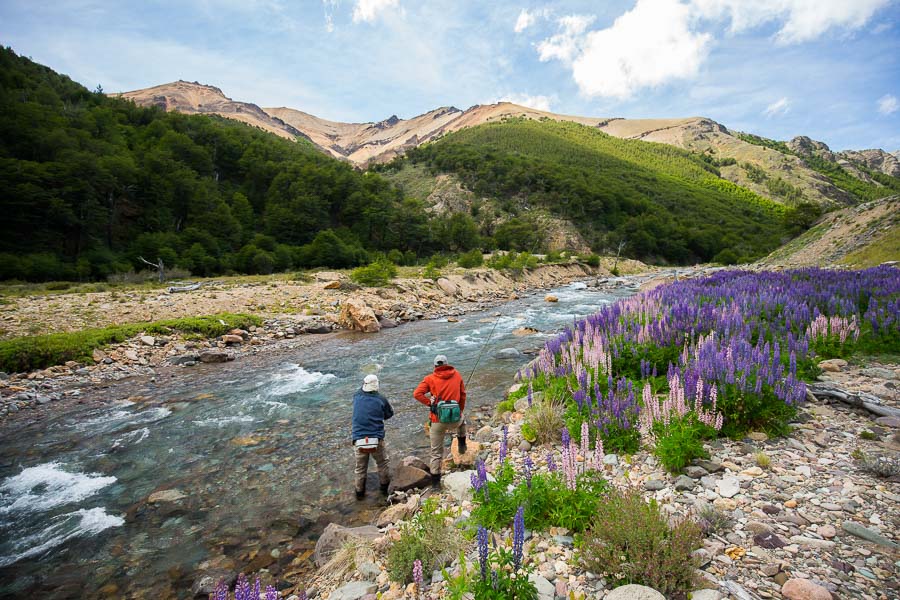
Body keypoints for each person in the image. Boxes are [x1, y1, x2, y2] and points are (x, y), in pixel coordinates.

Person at [413, 354, 467, 488]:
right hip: (455, 419)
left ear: (435, 366)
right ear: (447, 364)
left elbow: (417, 394)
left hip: (437, 421)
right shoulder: (457, 375)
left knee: (436, 452)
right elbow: (463, 396)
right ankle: (461, 443)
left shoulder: (429, 379)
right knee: (463, 421)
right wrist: (459, 411)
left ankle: (436, 484)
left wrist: (429, 404)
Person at [351, 374, 394, 499]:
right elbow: (389, 414)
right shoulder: (381, 399)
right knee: (382, 463)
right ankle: (384, 490)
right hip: (376, 439)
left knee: (360, 468)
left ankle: (359, 495)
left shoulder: (357, 396)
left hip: (358, 439)